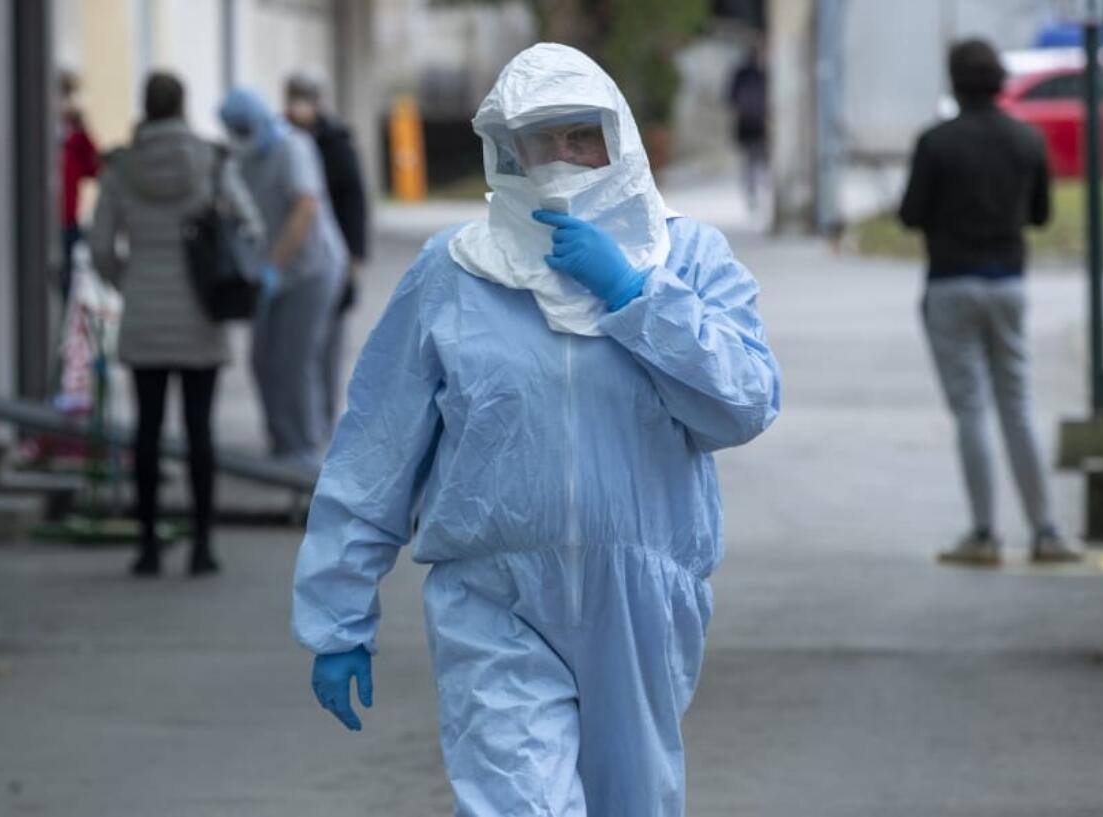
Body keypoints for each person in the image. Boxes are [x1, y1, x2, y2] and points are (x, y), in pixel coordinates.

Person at [292, 43, 782, 816]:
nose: (561, 159)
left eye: (579, 135)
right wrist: (338, 611)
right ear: (505, 150)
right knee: (517, 805)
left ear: (617, 137)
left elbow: (744, 401)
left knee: (634, 803)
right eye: (539, 140)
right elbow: (376, 449)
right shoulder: (453, 273)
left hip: (643, 598)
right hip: (495, 596)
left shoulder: (686, 257)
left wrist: (635, 295)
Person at [899, 38, 1080, 565]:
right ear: (1000, 81)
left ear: (954, 83)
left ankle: (983, 534)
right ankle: (1046, 531)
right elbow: (1041, 215)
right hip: (1009, 283)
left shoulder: (936, 143)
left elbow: (912, 214)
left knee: (972, 410)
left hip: (951, 282)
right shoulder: (1027, 139)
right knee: (1017, 405)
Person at [89, 72, 264, 577]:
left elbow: (100, 245)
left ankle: (146, 547)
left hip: (144, 309)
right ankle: (202, 546)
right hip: (200, 312)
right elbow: (251, 224)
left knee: (146, 430)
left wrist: (128, 281)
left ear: (145, 107)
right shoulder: (211, 161)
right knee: (198, 429)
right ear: (184, 105)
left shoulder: (120, 168)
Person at [219, 88, 347, 467]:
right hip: (270, 272)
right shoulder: (245, 157)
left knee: (297, 359)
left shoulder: (293, 148)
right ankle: (280, 441)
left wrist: (274, 265)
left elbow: (305, 208)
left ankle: (304, 448)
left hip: (312, 269)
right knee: (262, 359)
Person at [284, 72, 369, 427]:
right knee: (298, 349)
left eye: (305, 98)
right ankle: (303, 420)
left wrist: (354, 260)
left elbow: (354, 203)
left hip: (332, 256)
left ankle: (323, 419)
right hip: (294, 255)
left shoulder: (335, 143)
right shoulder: (283, 139)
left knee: (329, 345)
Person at [59, 69, 101, 304]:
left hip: (68, 219)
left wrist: (82, 131)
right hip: (49, 220)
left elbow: (93, 168)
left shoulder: (74, 136)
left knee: (68, 284)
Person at [727, 44, 770, 217]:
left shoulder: (740, 74)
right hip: (761, 122)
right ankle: (761, 191)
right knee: (760, 158)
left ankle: (753, 191)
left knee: (750, 159)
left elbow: (730, 97)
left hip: (745, 122)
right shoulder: (763, 74)